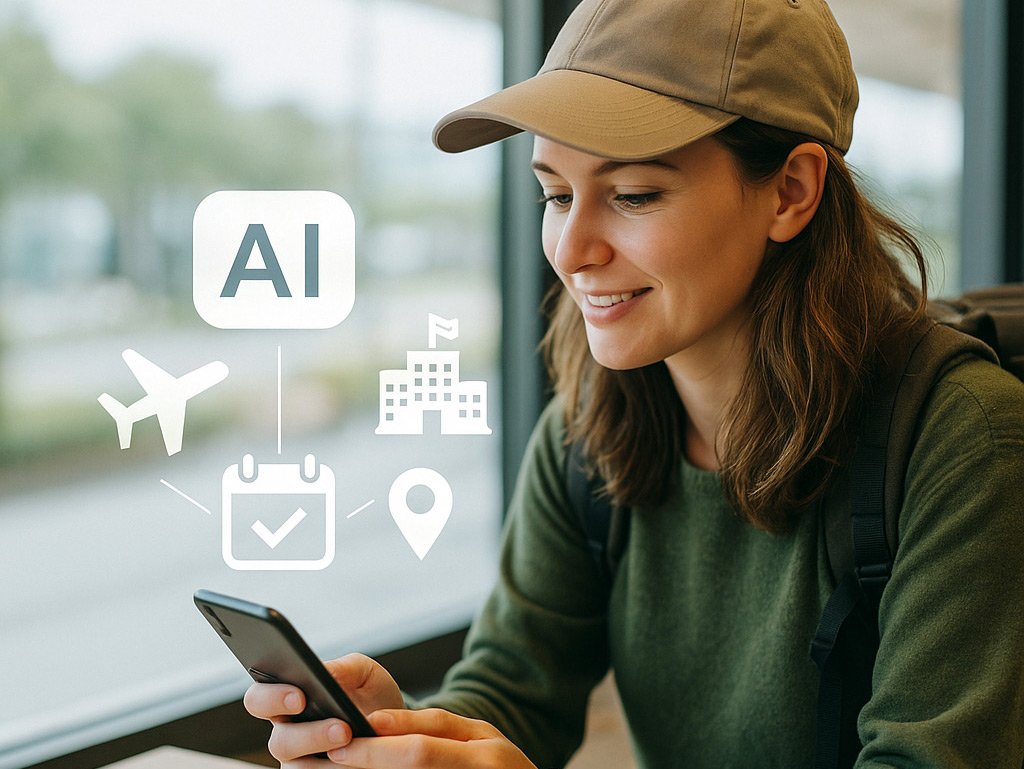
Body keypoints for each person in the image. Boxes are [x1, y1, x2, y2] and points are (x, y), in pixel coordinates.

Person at [243, 0, 1024, 766]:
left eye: (633, 194)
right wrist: (411, 732)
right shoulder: (587, 430)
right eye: (556, 194)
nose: (571, 249)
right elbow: (515, 687)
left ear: (791, 190)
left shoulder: (964, 439)